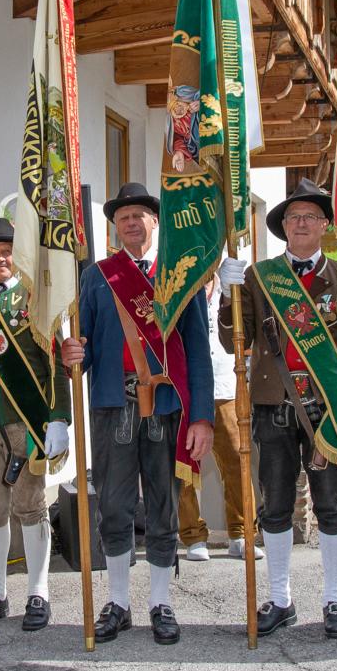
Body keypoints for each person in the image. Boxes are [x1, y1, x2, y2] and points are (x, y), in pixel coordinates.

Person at [218, 179, 337, 638]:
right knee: (276, 507)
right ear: (282, 227)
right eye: (292, 217)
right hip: (273, 407)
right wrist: (228, 299)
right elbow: (234, 341)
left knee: (331, 507)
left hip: (329, 408)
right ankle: (281, 599)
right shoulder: (260, 277)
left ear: (325, 225)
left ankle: (333, 599)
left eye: (309, 216)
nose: (301, 224)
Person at [59, 182, 214, 645]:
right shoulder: (97, 276)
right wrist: (68, 353)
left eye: (139, 215)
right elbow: (82, 349)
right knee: (113, 507)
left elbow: (199, 353)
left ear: (154, 222)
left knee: (164, 508)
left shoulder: (178, 275)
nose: (130, 222)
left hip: (165, 407)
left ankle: (161, 603)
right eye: (122, 216)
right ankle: (120, 603)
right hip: (112, 406)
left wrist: (202, 417)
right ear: (115, 226)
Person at [0, 218, 71, 631]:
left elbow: (56, 362)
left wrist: (59, 418)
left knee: (30, 505)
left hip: (27, 421)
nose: (1, 258)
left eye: (7, 251)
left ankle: (38, 592)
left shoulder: (36, 299)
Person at [177, 278, 258, 563]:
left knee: (238, 458)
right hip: (187, 386)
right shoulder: (179, 280)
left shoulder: (232, 280)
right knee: (185, 466)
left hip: (226, 384)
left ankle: (241, 532)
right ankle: (193, 535)